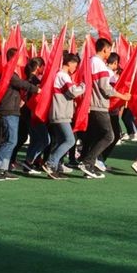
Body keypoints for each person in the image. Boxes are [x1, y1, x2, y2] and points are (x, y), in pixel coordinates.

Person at [78, 38, 131, 179]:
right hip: (99, 105)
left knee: (96, 137)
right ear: (105, 49)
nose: (110, 52)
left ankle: (88, 167)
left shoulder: (90, 61)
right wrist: (122, 96)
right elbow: (106, 89)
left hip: (92, 104)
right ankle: (87, 161)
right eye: (110, 49)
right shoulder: (99, 64)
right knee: (109, 136)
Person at [0, 49, 39, 180]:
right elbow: (20, 83)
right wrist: (37, 89)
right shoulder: (9, 72)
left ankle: (3, 169)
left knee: (10, 141)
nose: (23, 59)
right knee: (10, 141)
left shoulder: (12, 71)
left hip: (12, 110)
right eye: (21, 57)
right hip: (8, 110)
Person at [42, 52, 85, 180]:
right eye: (75, 65)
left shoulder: (62, 76)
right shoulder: (62, 75)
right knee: (70, 140)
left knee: (61, 141)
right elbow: (73, 92)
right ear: (70, 63)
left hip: (61, 113)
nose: (75, 68)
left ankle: (55, 166)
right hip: (60, 113)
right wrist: (84, 86)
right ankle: (50, 163)